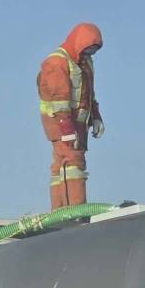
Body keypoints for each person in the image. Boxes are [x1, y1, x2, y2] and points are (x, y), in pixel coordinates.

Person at [37, 23, 104, 210]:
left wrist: (95, 117)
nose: (89, 55)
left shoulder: (84, 63)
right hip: (61, 122)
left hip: (76, 123)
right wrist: (65, 127)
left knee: (61, 164)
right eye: (87, 50)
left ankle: (59, 211)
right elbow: (59, 98)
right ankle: (75, 210)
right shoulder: (57, 63)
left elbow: (88, 94)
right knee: (73, 161)